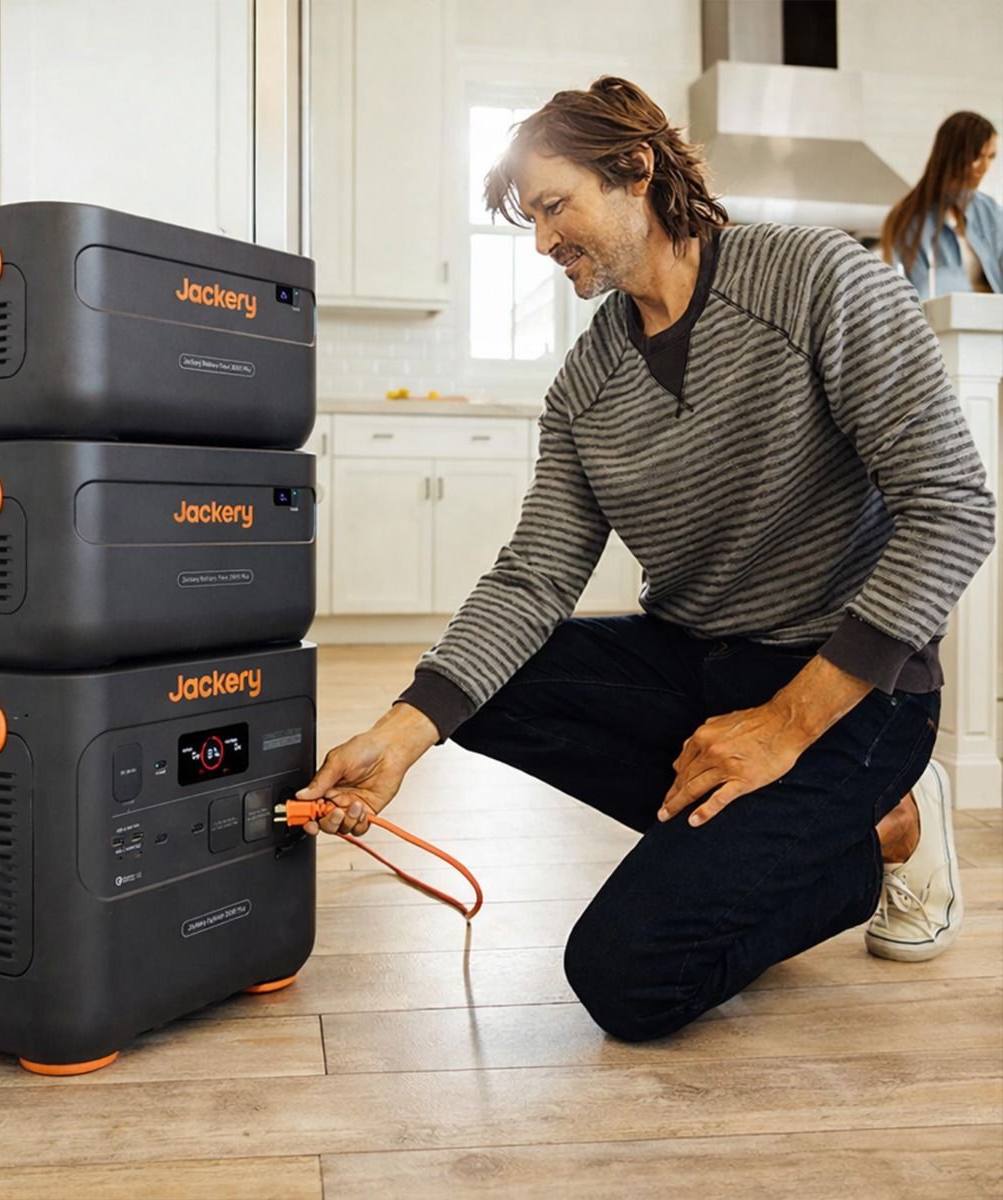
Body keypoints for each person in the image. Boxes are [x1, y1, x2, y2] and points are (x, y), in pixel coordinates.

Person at [295, 76, 997, 1041]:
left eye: (554, 206)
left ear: (636, 169)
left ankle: (875, 838)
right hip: (699, 666)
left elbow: (952, 508)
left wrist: (786, 726)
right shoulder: (586, 383)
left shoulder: (819, 280)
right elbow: (534, 576)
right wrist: (400, 737)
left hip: (849, 692)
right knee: (483, 685)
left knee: (627, 978)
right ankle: (822, 832)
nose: (542, 242)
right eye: (530, 219)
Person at [880, 110, 1001, 298]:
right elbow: (916, 294)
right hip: (944, 316)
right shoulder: (910, 220)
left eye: (991, 157)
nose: (984, 168)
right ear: (952, 155)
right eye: (977, 156)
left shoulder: (989, 210)